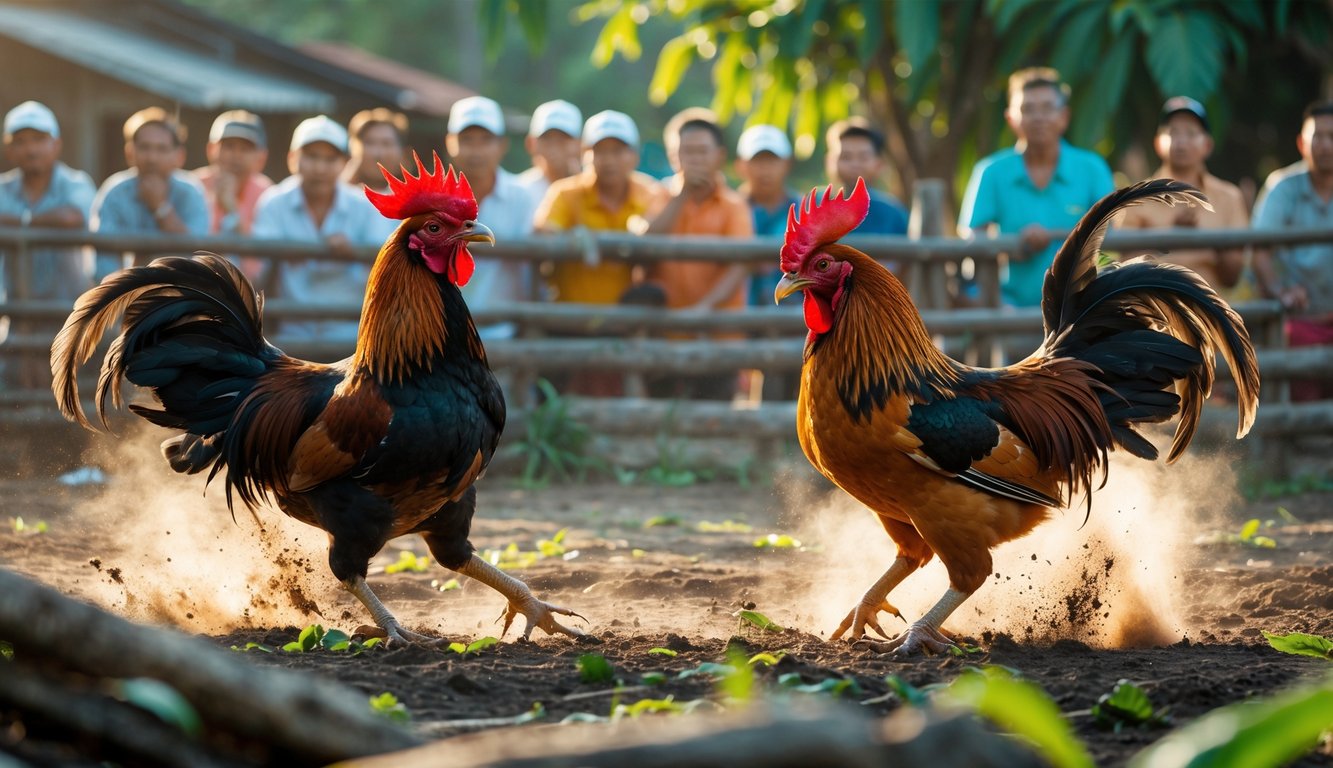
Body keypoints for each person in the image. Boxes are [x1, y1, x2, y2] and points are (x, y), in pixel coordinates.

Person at [533, 109, 666, 396]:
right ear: (585, 154)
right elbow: (544, 232)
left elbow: (654, 231)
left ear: (633, 155)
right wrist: (569, 239)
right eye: (600, 150)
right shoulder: (566, 193)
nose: (609, 160)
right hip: (568, 321)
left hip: (624, 323)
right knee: (559, 396)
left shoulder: (649, 193)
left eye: (618, 150)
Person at [958, 67, 1114, 308]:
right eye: (1027, 109)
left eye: (1047, 108)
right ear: (1010, 118)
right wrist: (1012, 247)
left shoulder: (1093, 169)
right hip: (1009, 308)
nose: (1038, 117)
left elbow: (1111, 234)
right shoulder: (990, 172)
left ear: (1064, 116)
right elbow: (971, 238)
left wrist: (1053, 237)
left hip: (1080, 307)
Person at [250, 115, 396, 344]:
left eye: (329, 159)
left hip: (352, 330)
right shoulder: (274, 202)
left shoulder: (364, 205)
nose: (319, 167)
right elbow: (256, 268)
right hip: (290, 331)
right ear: (293, 158)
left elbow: (387, 263)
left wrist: (353, 251)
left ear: (345, 162)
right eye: (311, 156)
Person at [646, 107, 755, 400]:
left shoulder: (734, 206)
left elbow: (740, 265)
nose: (694, 159)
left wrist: (704, 309)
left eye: (702, 151)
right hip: (663, 335)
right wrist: (681, 195)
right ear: (673, 156)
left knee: (714, 419)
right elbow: (643, 242)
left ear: (719, 155)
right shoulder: (657, 196)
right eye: (686, 151)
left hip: (719, 336)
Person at [0, 101, 97, 388]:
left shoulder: (76, 182)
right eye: (21, 141)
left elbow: (73, 217)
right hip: (15, 314)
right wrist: (42, 221)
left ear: (56, 144)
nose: (31, 149)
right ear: (9, 149)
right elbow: (63, 217)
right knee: (16, 388)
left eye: (39, 139)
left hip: (70, 310)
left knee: (74, 386)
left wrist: (19, 222)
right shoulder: (3, 188)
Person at [1117, 97, 1248, 294]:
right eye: (1173, 132)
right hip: (1153, 312)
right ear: (1158, 143)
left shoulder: (1229, 197)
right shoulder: (1136, 198)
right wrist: (1169, 239)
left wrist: (1210, 240)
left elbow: (1233, 277)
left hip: (1211, 312)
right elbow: (1126, 269)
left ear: (1207, 145)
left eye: (1191, 133)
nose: (1181, 141)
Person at [1252, 101, 1333, 402]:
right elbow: (1260, 253)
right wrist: (1280, 290)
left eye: (1332, 136)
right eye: (1318, 137)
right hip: (1298, 320)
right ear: (1302, 143)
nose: (1325, 145)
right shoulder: (1282, 187)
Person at [445, 95, 539, 340]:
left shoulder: (522, 197)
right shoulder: (432, 198)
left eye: (486, 140)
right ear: (450, 143)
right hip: (440, 335)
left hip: (504, 331)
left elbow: (531, 267)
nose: (476, 150)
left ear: (502, 145)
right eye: (466, 140)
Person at [90, 107, 210, 281]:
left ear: (179, 155)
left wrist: (161, 208)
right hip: (123, 295)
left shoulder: (191, 192)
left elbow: (199, 254)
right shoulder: (114, 192)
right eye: (144, 147)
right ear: (129, 152)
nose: (152, 157)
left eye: (162, 149)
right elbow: (103, 263)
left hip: (181, 293)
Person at [735, 124, 801, 401]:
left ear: (786, 164)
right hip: (739, 305)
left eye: (771, 161)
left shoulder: (802, 208)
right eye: (757, 161)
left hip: (793, 312)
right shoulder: (730, 206)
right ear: (741, 166)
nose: (764, 169)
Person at [192, 109, 272, 239]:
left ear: (261, 158)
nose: (236, 155)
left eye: (245, 149)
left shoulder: (268, 195)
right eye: (229, 146)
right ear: (211, 149)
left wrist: (232, 208)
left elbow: (262, 254)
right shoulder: (193, 186)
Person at [824, 118, 909, 238]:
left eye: (863, 157)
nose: (855, 164)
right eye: (846, 157)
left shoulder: (894, 214)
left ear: (879, 164)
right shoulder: (813, 208)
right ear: (829, 162)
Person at [518, 99, 583, 203]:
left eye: (563, 139)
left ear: (579, 145)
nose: (554, 147)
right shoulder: (519, 191)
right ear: (531, 143)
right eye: (547, 138)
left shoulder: (592, 192)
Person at [343, 108, 409, 194]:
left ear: (402, 152)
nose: (377, 154)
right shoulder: (340, 196)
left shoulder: (414, 200)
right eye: (370, 143)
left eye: (386, 144)